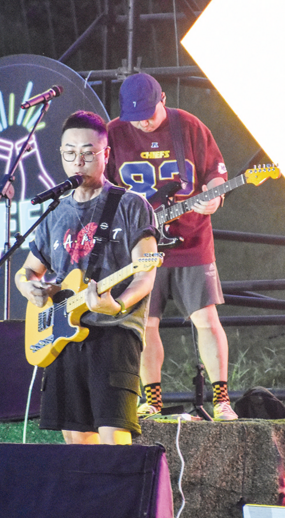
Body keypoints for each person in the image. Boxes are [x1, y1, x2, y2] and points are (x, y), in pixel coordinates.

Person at [15, 110, 158, 444]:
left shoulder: (131, 205)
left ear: (105, 155)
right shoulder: (56, 212)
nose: (78, 161)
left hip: (114, 333)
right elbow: (27, 270)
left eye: (88, 153)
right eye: (70, 153)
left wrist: (117, 304)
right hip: (62, 335)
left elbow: (145, 274)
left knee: (113, 439)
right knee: (76, 443)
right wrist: (30, 288)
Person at [106, 72, 237, 420]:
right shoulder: (114, 132)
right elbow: (101, 186)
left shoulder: (189, 126)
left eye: (150, 113)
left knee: (206, 318)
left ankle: (221, 400)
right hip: (141, 245)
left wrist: (214, 197)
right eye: (136, 117)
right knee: (146, 324)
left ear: (163, 99)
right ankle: (152, 401)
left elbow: (215, 173)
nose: (145, 123)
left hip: (191, 239)